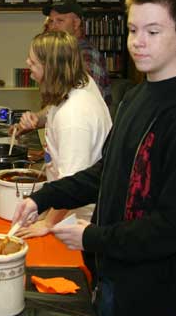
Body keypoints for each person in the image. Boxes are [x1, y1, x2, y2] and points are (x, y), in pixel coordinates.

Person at [13, 0, 176, 316]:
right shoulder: (137, 96)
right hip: (114, 274)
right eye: (132, 30)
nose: (138, 42)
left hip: (151, 289)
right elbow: (105, 172)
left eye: (153, 31)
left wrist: (91, 237)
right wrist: (43, 198)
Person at [12, 31, 112, 239]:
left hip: (80, 218)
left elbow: (71, 185)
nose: (27, 62)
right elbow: (51, 111)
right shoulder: (76, 84)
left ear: (52, 68)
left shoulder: (73, 117)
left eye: (34, 61)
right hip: (66, 210)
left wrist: (47, 223)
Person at [44, 0, 111, 104]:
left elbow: (87, 104)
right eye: (51, 21)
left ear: (76, 23)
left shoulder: (86, 56)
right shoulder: (63, 53)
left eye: (60, 21)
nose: (53, 27)